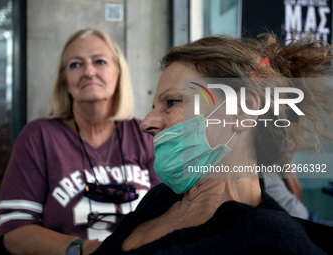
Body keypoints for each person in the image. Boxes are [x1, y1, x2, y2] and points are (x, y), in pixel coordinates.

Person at [91, 34, 333, 254]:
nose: (146, 123)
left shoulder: (271, 240)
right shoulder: (161, 198)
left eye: (172, 102)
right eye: (154, 107)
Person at [0, 28, 160, 254]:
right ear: (64, 81)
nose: (88, 72)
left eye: (99, 61)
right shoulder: (38, 137)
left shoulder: (147, 134)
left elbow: (173, 214)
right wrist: (89, 250)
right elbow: (13, 230)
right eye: (75, 64)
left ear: (118, 73)